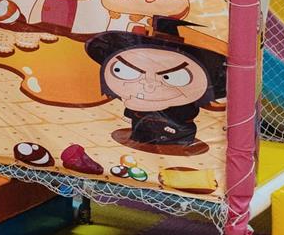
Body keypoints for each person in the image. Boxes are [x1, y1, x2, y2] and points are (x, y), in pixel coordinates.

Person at [84, 16, 228, 155]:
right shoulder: (138, 96)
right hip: (140, 133)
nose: (149, 84)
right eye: (124, 70)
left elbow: (188, 113)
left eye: (171, 76)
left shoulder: (185, 103)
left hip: (177, 137)